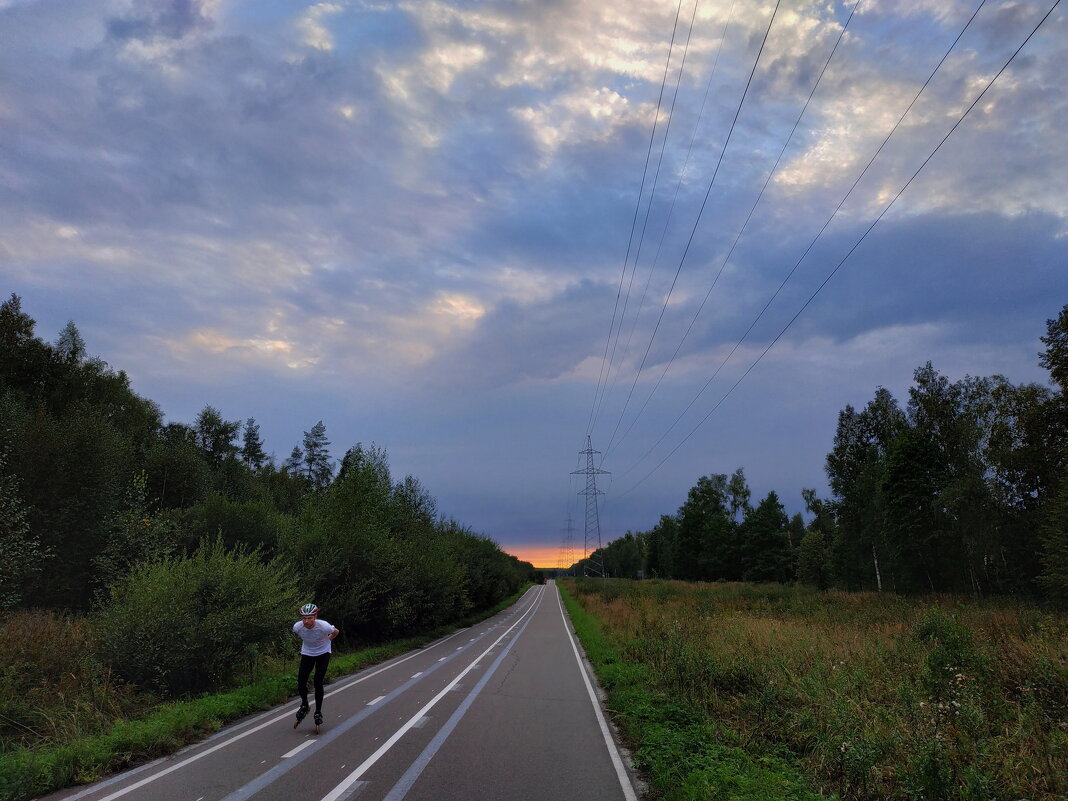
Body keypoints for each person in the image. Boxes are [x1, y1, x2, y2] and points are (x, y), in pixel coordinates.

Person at [292, 603, 339, 729]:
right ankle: (305, 705)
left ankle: (318, 712)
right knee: (301, 681)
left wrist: (328, 639)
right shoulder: (297, 627)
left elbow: (336, 632)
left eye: (310, 618)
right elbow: (302, 636)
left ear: (315, 616)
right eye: (304, 618)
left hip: (323, 653)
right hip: (307, 653)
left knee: (318, 681)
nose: (307, 621)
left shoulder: (324, 626)